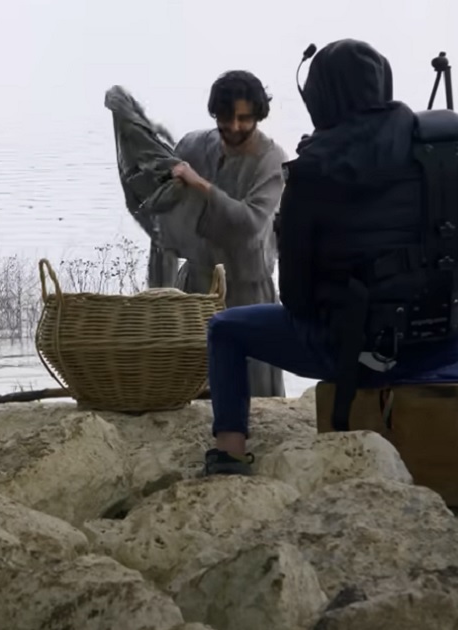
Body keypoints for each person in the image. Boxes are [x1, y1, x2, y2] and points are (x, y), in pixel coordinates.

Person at [202, 38, 458, 476]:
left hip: (349, 351)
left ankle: (230, 452)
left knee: (225, 329)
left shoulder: (311, 169)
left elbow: (296, 298)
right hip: (440, 345)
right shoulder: (441, 146)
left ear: (319, 98)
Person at [165, 70, 288, 398]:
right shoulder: (193, 145)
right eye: (226, 117)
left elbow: (248, 223)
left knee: (256, 391)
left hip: (247, 287)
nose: (234, 127)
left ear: (259, 115)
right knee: (188, 384)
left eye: (244, 119)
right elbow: (163, 193)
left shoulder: (272, 161)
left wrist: (199, 184)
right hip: (197, 281)